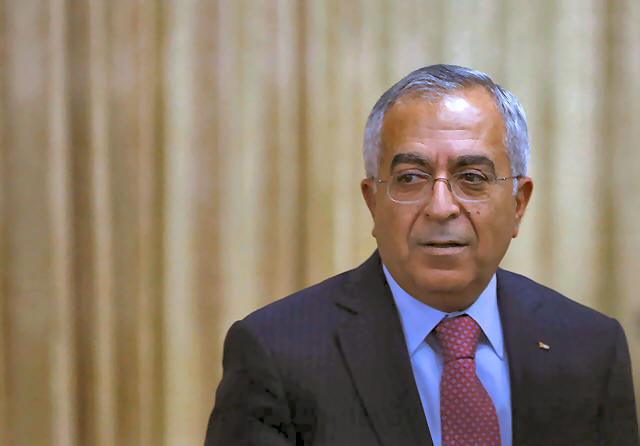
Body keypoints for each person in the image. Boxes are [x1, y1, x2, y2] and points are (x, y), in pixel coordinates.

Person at [204, 64, 639, 445]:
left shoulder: (590, 347)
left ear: (518, 204)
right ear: (373, 202)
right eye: (411, 178)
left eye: (472, 178)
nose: (441, 206)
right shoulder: (277, 353)